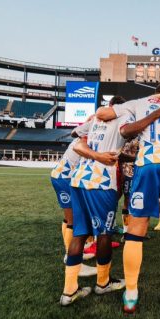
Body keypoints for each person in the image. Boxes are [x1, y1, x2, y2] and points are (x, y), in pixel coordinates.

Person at [96, 84, 160, 315]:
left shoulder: (138, 103)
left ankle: (131, 295)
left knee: (136, 228)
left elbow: (108, 117)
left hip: (148, 163)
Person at [60, 97, 130, 306]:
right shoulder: (123, 118)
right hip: (101, 183)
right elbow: (129, 131)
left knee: (80, 233)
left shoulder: (95, 120)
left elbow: (75, 136)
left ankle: (69, 291)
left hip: (78, 179)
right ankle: (103, 282)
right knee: (104, 233)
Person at [50, 119, 97, 279]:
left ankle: (75, 255)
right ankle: (73, 260)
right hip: (64, 179)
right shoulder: (85, 139)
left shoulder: (83, 136)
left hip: (63, 177)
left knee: (70, 219)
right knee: (73, 221)